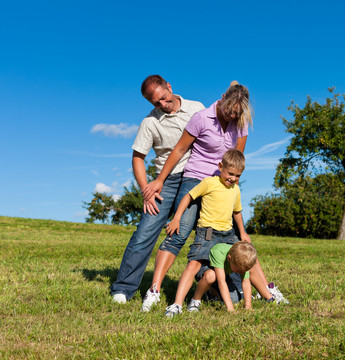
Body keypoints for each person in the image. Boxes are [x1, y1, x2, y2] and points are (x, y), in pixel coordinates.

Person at [140, 81, 288, 312]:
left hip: (223, 183)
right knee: (178, 232)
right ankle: (154, 291)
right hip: (196, 179)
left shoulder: (240, 123)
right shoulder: (201, 118)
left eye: (236, 112)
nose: (231, 115)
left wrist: (230, 186)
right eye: (229, 109)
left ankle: (266, 291)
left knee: (241, 240)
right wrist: (159, 180)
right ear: (222, 98)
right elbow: (179, 150)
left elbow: (237, 156)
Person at [110, 75, 205, 304]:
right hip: (166, 181)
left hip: (196, 177)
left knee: (205, 231)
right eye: (156, 103)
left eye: (163, 98)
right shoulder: (150, 123)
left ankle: (211, 288)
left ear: (169, 87)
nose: (162, 105)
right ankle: (122, 289)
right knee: (144, 233)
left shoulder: (196, 109)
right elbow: (138, 157)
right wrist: (146, 190)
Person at [163, 150, 277, 317]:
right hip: (208, 233)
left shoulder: (235, 190)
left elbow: (237, 212)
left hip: (228, 234)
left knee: (246, 260)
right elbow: (188, 196)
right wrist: (177, 218)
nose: (233, 178)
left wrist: (243, 232)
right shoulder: (209, 182)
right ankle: (177, 304)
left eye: (237, 176)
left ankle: (269, 297)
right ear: (220, 167)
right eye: (230, 173)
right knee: (194, 264)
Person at [188, 241, 259, 313]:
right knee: (211, 276)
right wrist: (230, 308)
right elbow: (221, 281)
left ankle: (212, 291)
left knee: (234, 300)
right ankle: (195, 300)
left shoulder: (243, 260)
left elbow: (246, 282)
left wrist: (248, 305)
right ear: (229, 258)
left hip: (223, 273)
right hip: (205, 269)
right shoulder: (218, 252)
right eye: (239, 271)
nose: (242, 273)